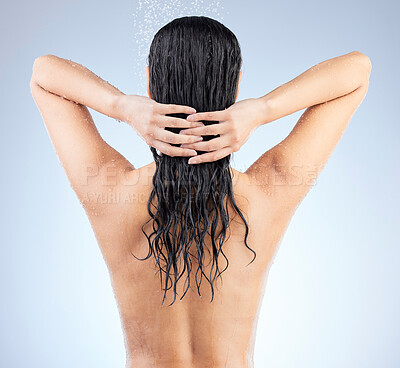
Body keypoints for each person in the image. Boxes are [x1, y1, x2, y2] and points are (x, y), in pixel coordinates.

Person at [30, 15, 371, 368]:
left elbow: (44, 75)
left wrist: (121, 106)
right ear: (235, 88)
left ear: (150, 84)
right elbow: (357, 72)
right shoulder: (270, 190)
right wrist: (263, 109)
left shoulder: (109, 189)